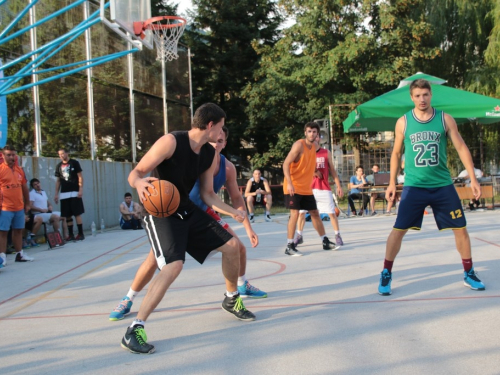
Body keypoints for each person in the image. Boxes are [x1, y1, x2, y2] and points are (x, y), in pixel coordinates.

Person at [119, 103, 253, 355]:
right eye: (221, 127)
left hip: (185, 207)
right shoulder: (171, 142)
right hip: (160, 212)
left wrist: (232, 210)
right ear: (210, 125)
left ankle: (230, 298)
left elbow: (207, 194)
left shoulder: (207, 154)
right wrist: (138, 182)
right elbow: (136, 172)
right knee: (173, 265)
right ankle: (134, 328)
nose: (223, 133)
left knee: (233, 246)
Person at [109, 126, 266, 322]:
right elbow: (140, 172)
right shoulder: (193, 151)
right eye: (213, 139)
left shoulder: (225, 166)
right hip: (170, 211)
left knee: (236, 247)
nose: (215, 143)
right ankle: (128, 298)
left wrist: (247, 226)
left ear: (224, 143)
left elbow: (223, 196)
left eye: (220, 140)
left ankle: (238, 289)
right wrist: (143, 187)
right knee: (155, 261)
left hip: (199, 212)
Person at [378, 79, 485, 296]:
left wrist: (473, 178)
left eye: (425, 94)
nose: (422, 99)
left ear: (431, 95)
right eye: (417, 95)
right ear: (411, 97)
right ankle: (386, 272)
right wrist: (391, 182)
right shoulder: (403, 122)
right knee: (398, 230)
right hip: (414, 186)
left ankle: (469, 272)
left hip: (442, 185)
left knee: (460, 228)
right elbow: (396, 153)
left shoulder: (444, 119)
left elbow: (461, 147)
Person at [282, 122, 339, 256]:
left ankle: (325, 241)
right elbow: (286, 164)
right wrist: (289, 183)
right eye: (309, 131)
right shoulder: (299, 145)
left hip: (306, 188)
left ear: (317, 134)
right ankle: (289, 245)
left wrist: (314, 171)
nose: (312, 134)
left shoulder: (313, 147)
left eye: (314, 132)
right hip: (293, 186)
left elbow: (307, 162)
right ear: (305, 133)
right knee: (295, 214)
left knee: (314, 212)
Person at [294, 134, 345, 247]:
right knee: (301, 213)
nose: (315, 138)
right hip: (308, 188)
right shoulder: (305, 152)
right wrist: (313, 172)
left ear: (319, 139)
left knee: (332, 213)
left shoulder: (326, 152)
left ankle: (337, 235)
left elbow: (332, 171)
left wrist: (339, 186)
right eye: (312, 136)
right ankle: (299, 235)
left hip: (323, 187)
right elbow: (300, 169)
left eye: (317, 136)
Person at [0, 145, 34, 265]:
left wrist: (27, 203)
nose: (11, 157)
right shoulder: (0, 169)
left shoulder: (20, 170)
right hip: (5, 207)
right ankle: (2, 257)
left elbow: (24, 188)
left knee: (18, 230)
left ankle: (20, 254)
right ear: (3, 155)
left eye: (13, 154)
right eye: (8, 155)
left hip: (19, 207)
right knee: (3, 232)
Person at [54, 148, 85, 241]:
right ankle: (70, 234)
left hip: (74, 191)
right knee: (67, 214)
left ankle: (80, 233)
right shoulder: (59, 166)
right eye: (59, 154)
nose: (61, 156)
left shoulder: (74, 163)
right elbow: (58, 180)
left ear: (67, 153)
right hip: (64, 192)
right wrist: (56, 193)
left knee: (77, 213)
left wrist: (80, 189)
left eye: (63, 153)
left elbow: (80, 177)